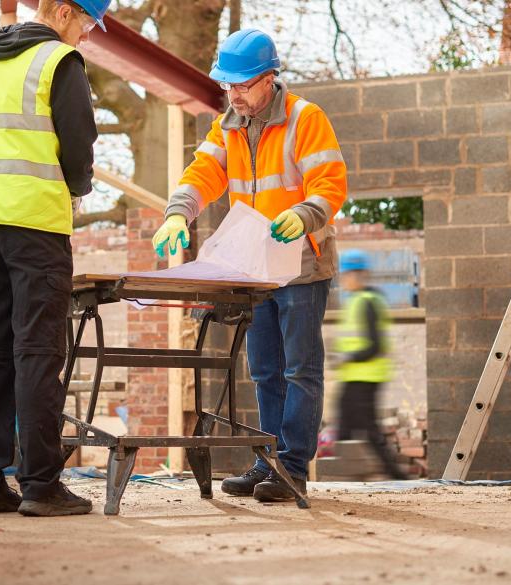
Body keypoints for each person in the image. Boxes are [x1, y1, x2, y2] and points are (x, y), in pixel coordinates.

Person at [152, 28, 347, 502]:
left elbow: (330, 183)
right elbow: (202, 174)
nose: (233, 94)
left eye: (242, 85)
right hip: (256, 271)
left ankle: (293, 467)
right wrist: (178, 213)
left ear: (269, 78)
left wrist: (303, 215)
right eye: (228, 86)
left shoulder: (305, 118)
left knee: (301, 369)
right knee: (264, 370)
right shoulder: (228, 125)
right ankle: (268, 461)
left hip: (302, 265)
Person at [0, 0, 110, 517]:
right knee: (37, 350)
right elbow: (79, 145)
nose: (83, 36)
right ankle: (41, 485)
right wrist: (76, 188)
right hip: (35, 223)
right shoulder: (60, 62)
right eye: (84, 24)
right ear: (62, 12)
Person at [334, 250, 406, 480]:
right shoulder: (357, 300)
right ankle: (345, 473)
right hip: (355, 376)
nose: (345, 279)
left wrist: (348, 358)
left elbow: (374, 345)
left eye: (348, 274)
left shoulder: (367, 302)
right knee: (346, 423)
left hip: (367, 375)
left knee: (367, 428)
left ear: (360, 275)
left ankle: (395, 476)